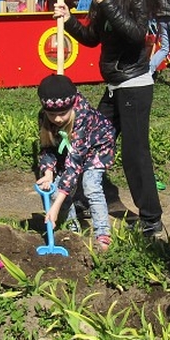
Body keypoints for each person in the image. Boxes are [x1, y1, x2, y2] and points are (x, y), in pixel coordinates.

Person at [53, 0, 164, 237]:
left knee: (134, 154)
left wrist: (108, 2)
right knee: (89, 140)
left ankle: (151, 218)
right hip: (115, 87)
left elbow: (136, 34)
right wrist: (70, 20)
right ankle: (86, 196)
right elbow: (93, 38)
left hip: (135, 86)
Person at [35, 74, 116, 251]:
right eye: (52, 114)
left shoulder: (82, 117)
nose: (57, 119)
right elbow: (47, 148)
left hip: (98, 147)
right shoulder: (44, 117)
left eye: (62, 114)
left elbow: (74, 164)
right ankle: (72, 230)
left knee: (90, 185)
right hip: (71, 148)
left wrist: (54, 207)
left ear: (71, 106)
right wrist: (48, 172)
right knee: (55, 187)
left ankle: (102, 234)